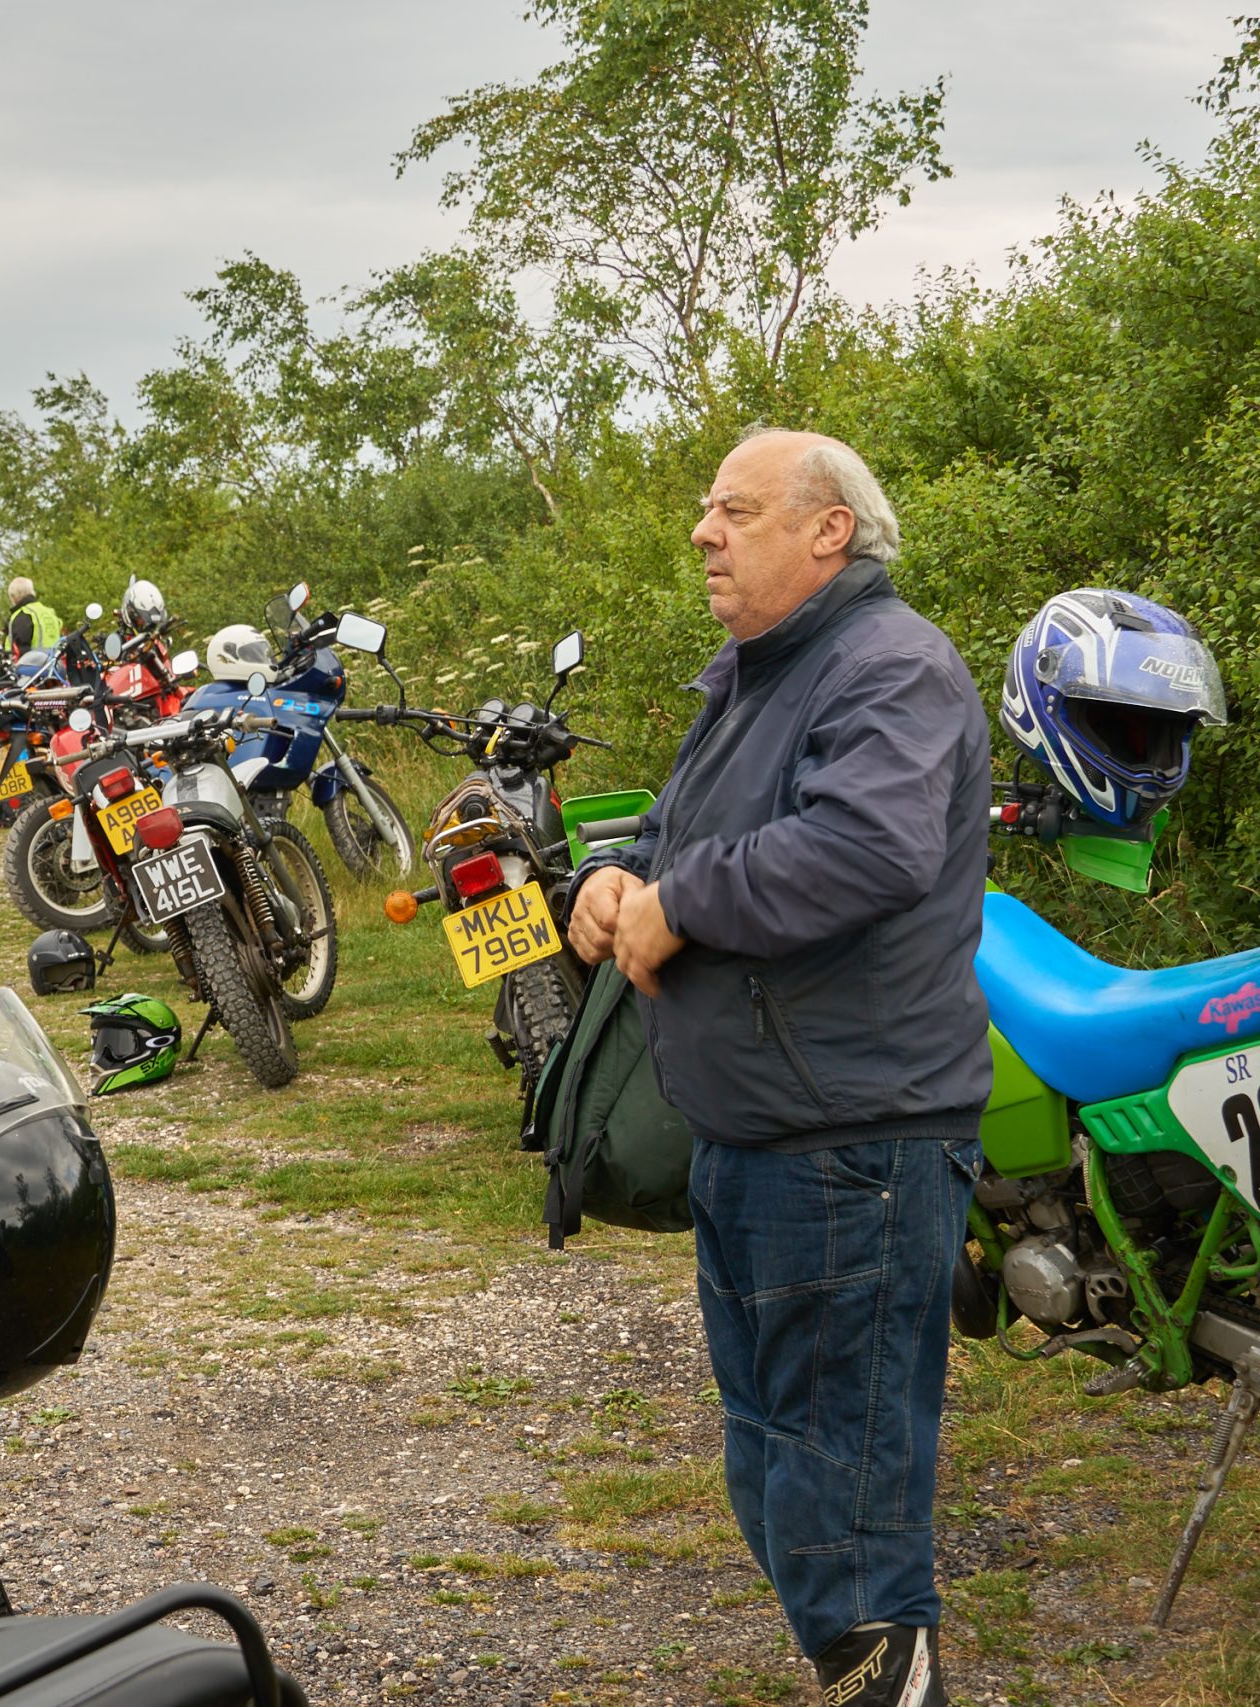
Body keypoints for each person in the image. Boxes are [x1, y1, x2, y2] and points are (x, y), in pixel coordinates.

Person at [567, 429, 989, 1707]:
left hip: (851, 1147)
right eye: (708, 510)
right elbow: (682, 832)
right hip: (759, 1137)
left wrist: (681, 900)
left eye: (735, 511)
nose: (703, 532)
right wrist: (615, 879)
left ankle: (888, 1682)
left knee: (842, 1518)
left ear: (827, 530)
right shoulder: (757, 675)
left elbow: (867, 847)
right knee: (777, 1471)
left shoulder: (888, 666)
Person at [5, 576, 60, 656]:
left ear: (13, 597)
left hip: (34, 662)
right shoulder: (50, 612)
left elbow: (21, 650)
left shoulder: (22, 615)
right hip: (54, 661)